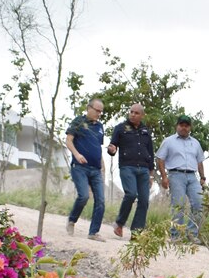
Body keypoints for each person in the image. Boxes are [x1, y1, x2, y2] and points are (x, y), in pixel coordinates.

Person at [107, 103, 155, 238]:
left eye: (136, 113)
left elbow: (150, 153)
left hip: (144, 170)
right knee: (131, 194)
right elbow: (113, 146)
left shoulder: (146, 131)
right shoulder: (120, 128)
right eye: (131, 112)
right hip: (128, 167)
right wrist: (112, 149)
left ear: (142, 115)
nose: (133, 114)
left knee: (144, 200)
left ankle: (136, 233)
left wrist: (151, 175)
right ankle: (119, 223)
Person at [155, 114, 207, 240]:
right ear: (177, 126)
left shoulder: (195, 143)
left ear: (190, 127)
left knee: (199, 203)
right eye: (181, 125)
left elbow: (199, 161)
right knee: (178, 205)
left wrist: (202, 177)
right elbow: (160, 159)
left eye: (186, 126)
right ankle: (176, 235)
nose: (184, 128)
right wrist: (164, 177)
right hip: (176, 175)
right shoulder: (169, 141)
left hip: (192, 176)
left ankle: (192, 234)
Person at [65, 98, 107, 240]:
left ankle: (93, 232)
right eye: (97, 110)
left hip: (96, 169)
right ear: (89, 108)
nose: (99, 114)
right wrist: (77, 155)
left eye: (101, 112)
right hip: (80, 167)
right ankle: (72, 220)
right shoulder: (78, 121)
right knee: (84, 196)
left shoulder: (100, 127)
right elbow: (68, 140)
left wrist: (102, 166)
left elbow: (97, 146)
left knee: (100, 200)